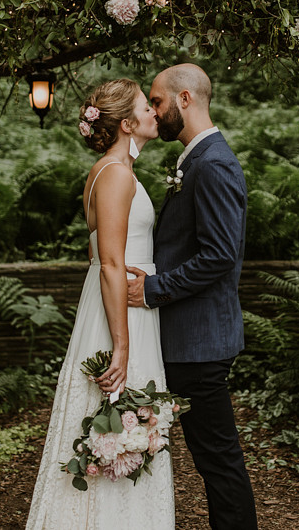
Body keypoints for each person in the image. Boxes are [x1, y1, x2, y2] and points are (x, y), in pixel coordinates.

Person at [26, 78, 174, 529]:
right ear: (128, 124)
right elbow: (109, 262)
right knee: (114, 418)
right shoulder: (115, 173)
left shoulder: (111, 170)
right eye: (146, 108)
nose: (154, 112)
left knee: (122, 425)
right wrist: (122, 345)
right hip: (120, 314)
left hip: (125, 306)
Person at [126, 64, 259, 530]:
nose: (155, 112)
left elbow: (220, 255)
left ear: (185, 99)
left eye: (158, 101)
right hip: (187, 339)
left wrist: (153, 289)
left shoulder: (214, 164)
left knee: (219, 461)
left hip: (200, 342)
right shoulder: (195, 160)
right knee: (213, 459)